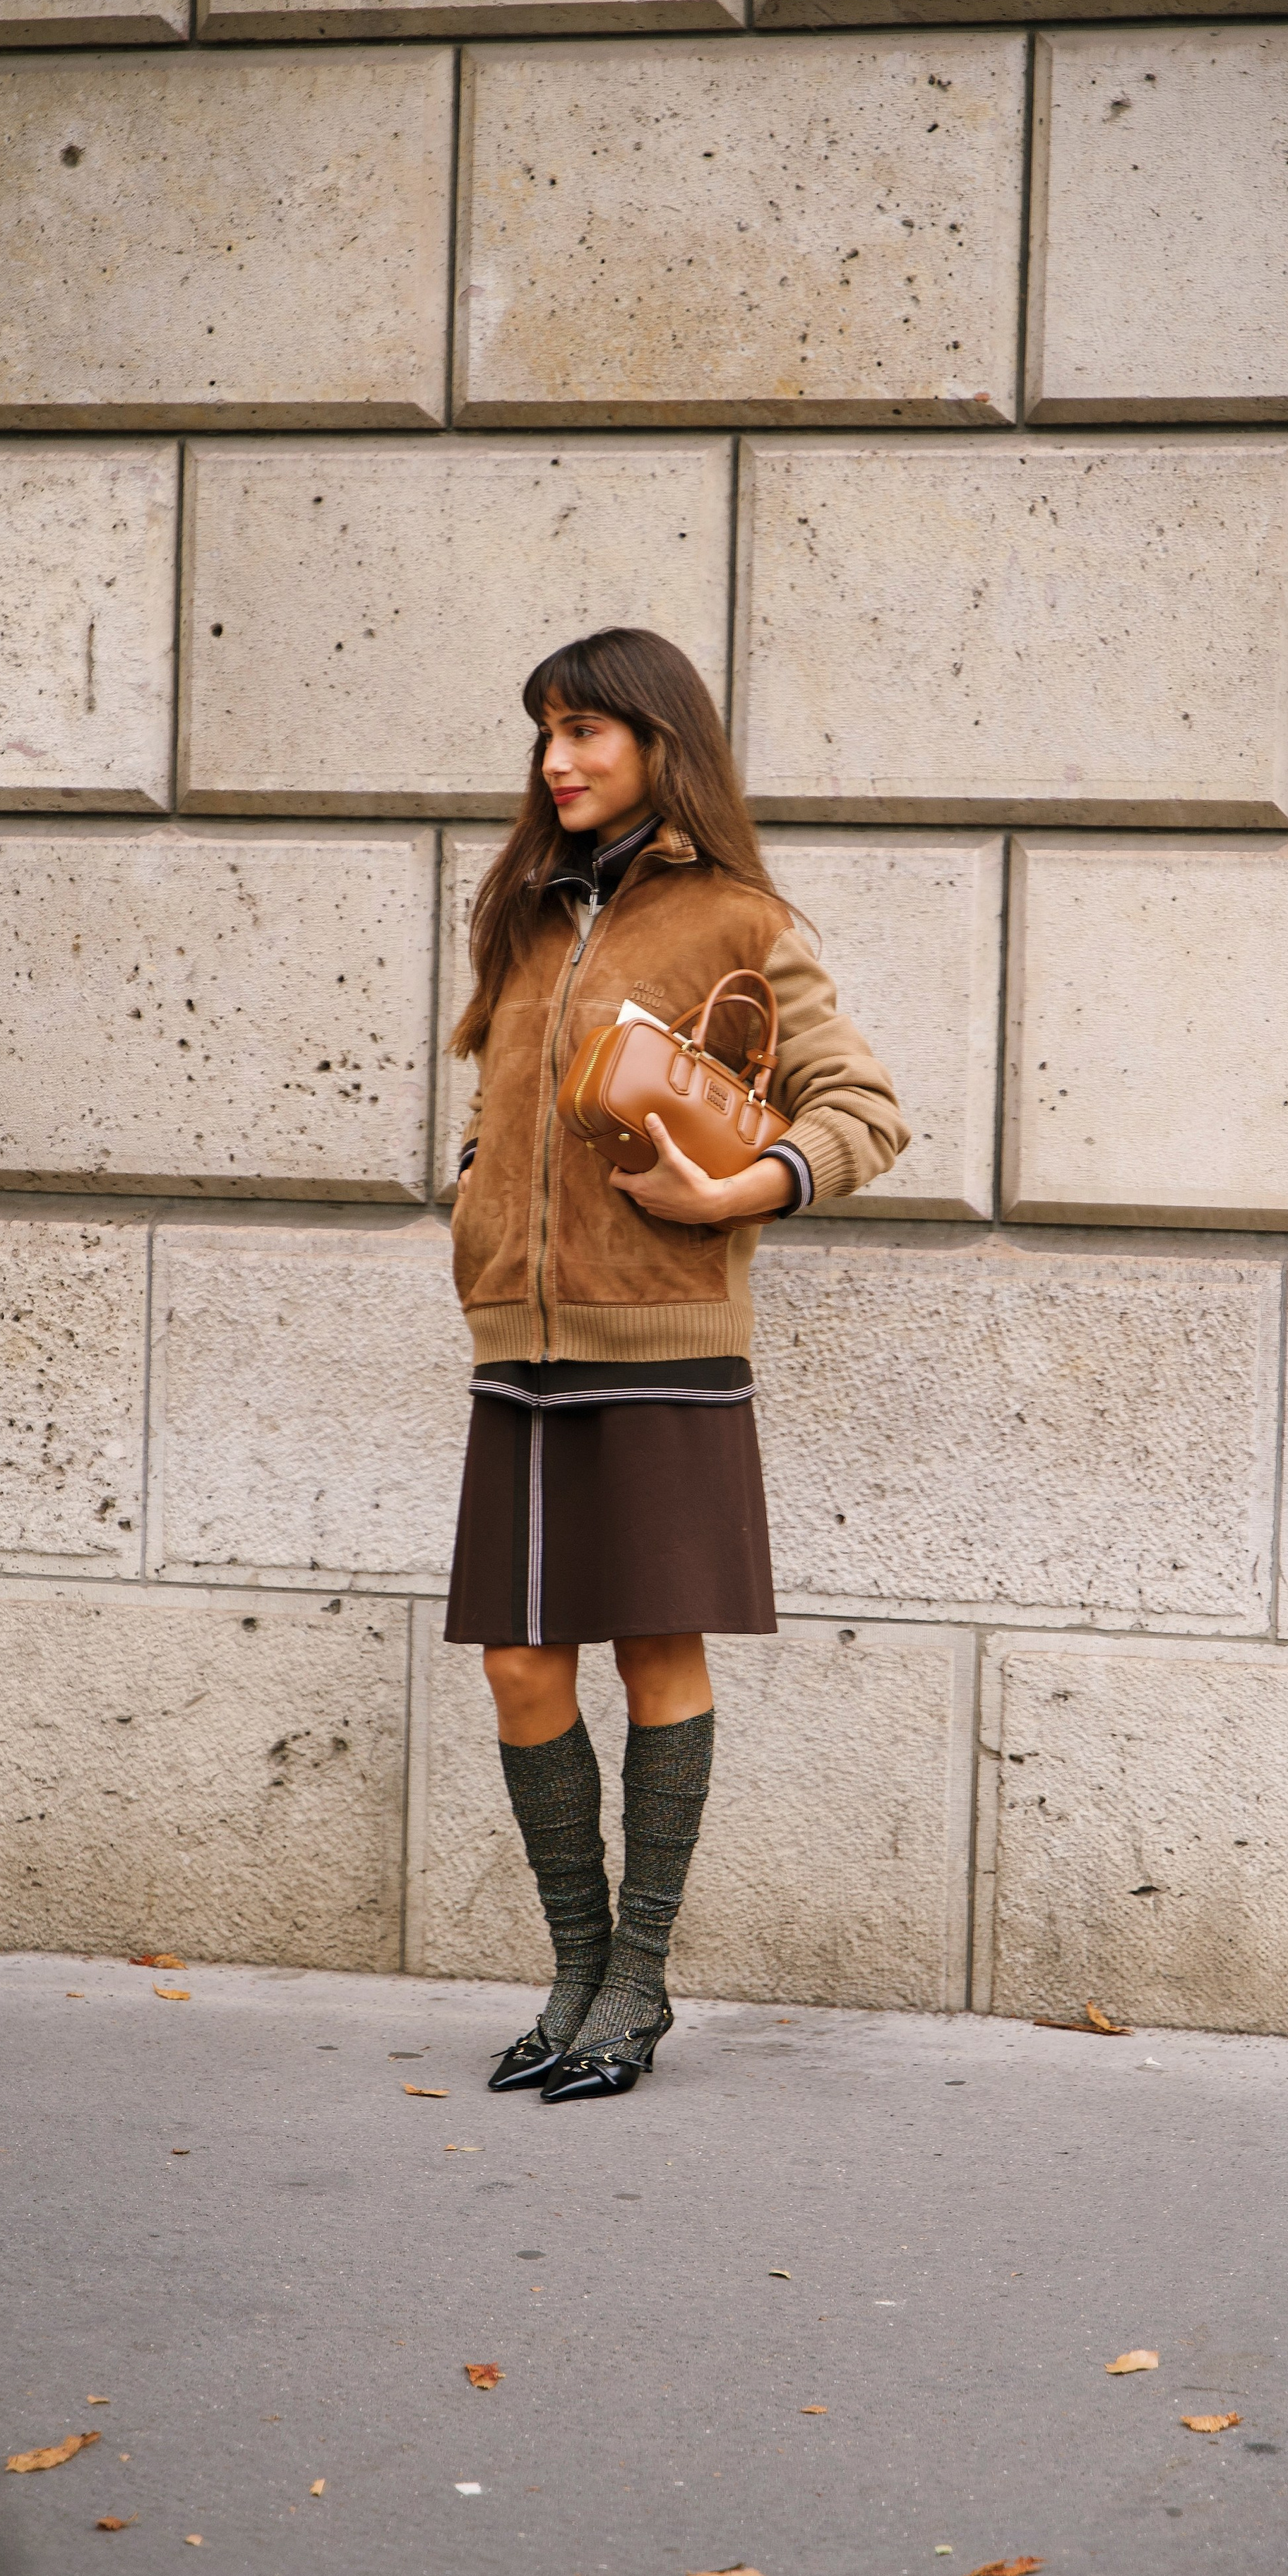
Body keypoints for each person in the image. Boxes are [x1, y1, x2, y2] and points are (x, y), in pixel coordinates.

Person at [446, 625, 907, 2102]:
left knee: (652, 1648)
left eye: (583, 730)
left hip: (662, 1342)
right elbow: (500, 1099)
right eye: (544, 735)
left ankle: (634, 1989)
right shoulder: (523, 913)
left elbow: (865, 1112)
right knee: (521, 1659)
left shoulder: (737, 918)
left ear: (657, 741)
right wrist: (478, 1182)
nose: (556, 761)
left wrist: (734, 1191)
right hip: (517, 1342)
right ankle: (572, 1969)